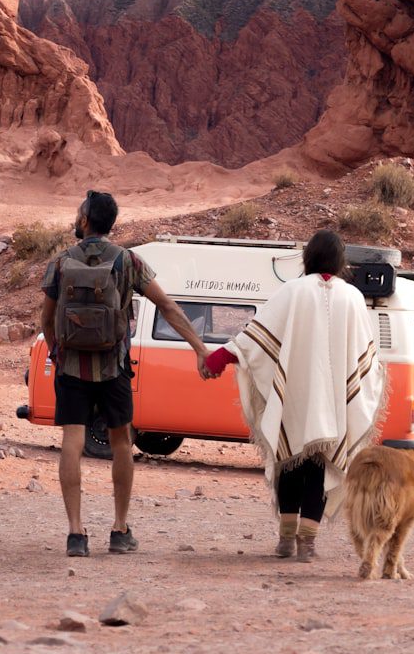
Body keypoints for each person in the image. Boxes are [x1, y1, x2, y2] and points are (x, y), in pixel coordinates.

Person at [40, 190, 209, 558]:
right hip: (114, 367)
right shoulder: (128, 261)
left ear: (85, 221)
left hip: (71, 367)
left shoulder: (60, 262)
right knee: (120, 442)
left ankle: (75, 534)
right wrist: (199, 347)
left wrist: (57, 350)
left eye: (79, 212)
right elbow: (166, 306)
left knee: (73, 441)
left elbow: (46, 318)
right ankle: (119, 529)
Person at [201, 229, 386, 562]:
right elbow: (368, 359)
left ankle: (286, 541)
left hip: (295, 396)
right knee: (317, 465)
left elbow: (254, 339)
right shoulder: (353, 297)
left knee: (289, 461)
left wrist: (219, 358)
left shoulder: (293, 291)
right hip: (333, 401)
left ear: (308, 257)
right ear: (340, 261)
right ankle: (307, 543)